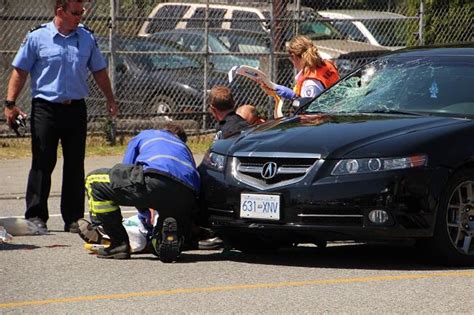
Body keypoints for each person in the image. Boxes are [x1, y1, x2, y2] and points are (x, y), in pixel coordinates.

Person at [3, 0, 118, 233]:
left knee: (75, 164)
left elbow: (99, 70)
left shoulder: (86, 38)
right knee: (42, 163)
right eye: (75, 13)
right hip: (45, 108)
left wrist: (110, 98)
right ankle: (36, 216)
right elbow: (20, 71)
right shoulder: (37, 37)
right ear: (60, 11)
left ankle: (74, 217)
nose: (80, 17)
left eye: (81, 12)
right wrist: (10, 104)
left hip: (75, 109)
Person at [84, 123, 200, 261]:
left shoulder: (147, 134)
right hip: (187, 194)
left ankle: (114, 240)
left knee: (93, 180)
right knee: (163, 230)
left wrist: (144, 212)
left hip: (154, 179)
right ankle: (161, 240)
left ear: (163, 130)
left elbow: (126, 169)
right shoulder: (184, 148)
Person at [269, 35, 340, 100]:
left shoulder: (310, 82)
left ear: (294, 57)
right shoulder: (327, 64)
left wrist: (294, 97)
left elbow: (308, 111)